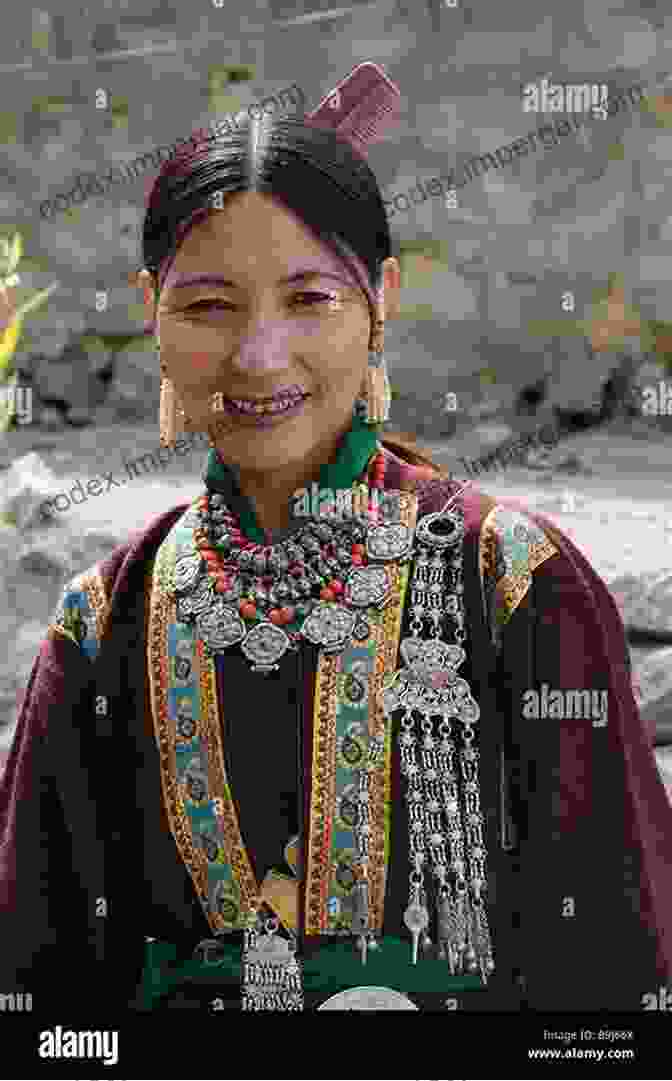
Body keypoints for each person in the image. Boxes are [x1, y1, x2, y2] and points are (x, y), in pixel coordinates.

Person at [1, 62, 671, 1015]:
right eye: (208, 305)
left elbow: (622, 988)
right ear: (151, 311)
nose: (258, 353)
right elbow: (41, 998)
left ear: (381, 300)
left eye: (309, 299)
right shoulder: (103, 623)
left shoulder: (520, 586)